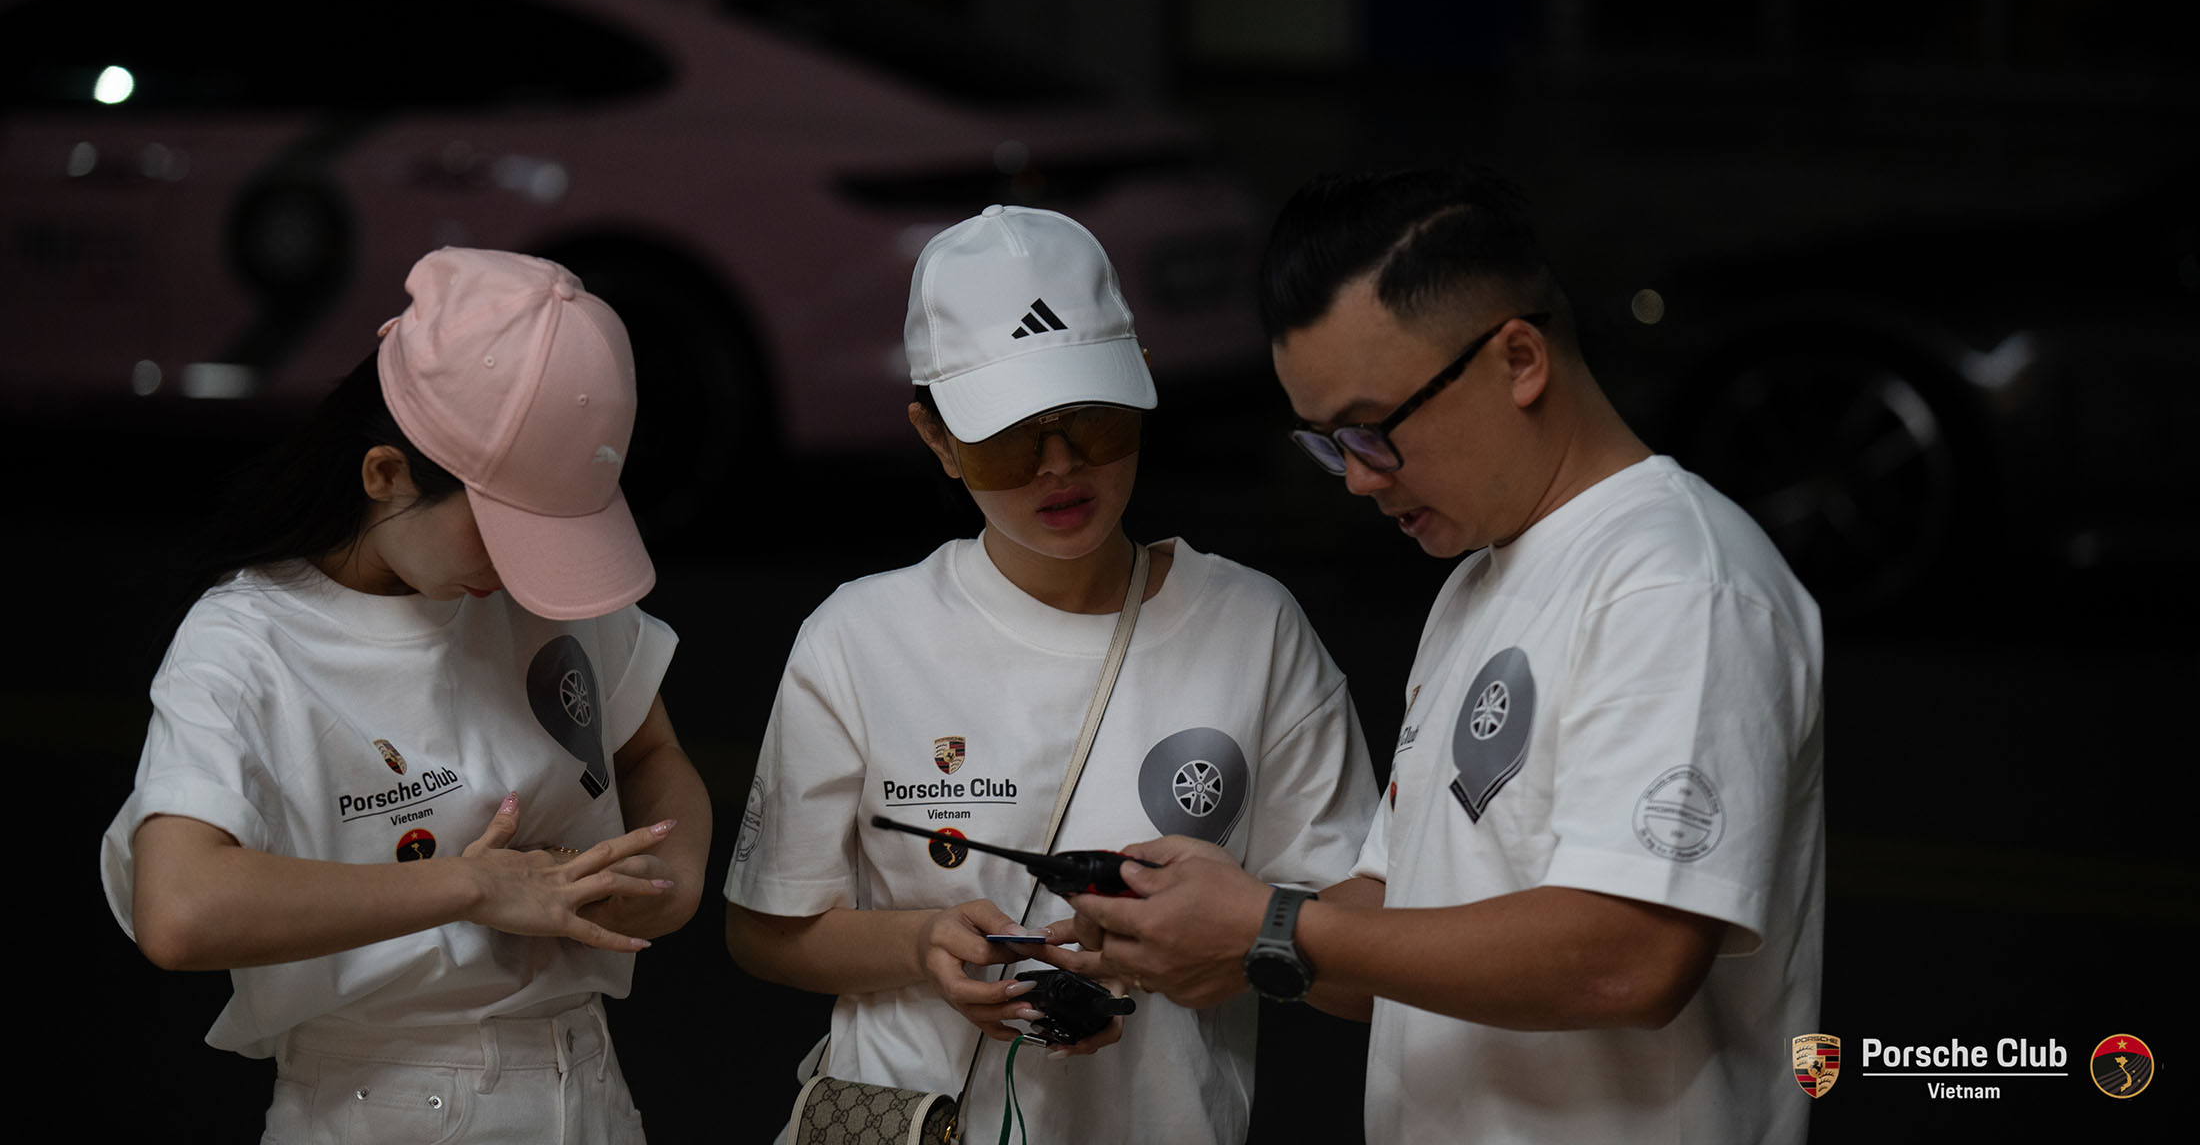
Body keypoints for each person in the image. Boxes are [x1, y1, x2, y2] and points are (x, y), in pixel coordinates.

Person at [1069, 167, 1825, 1145]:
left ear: (1518, 358)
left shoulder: (1676, 582)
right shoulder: (1477, 584)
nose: (1354, 479)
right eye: (1325, 443)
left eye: (1369, 430)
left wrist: (1267, 926)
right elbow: (1390, 929)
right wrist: (1198, 925)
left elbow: (1630, 959)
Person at [723, 204, 1378, 1144]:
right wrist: (920, 942)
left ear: (1141, 382)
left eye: (1092, 420)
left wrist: (1220, 948)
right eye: (1009, 435)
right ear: (936, 439)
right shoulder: (859, 638)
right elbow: (764, 928)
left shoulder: (1253, 627)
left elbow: (1358, 942)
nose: (1059, 464)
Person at [100, 248, 713, 1144]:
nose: (524, 569)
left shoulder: (543, 590)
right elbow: (180, 909)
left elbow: (650, 751)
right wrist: (468, 886)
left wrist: (672, 879)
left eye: (553, 535)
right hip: (386, 1100)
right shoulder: (248, 641)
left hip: (588, 1088)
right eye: (504, 531)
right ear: (385, 473)